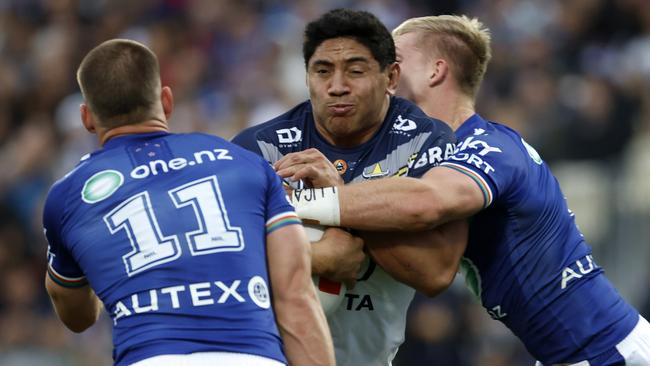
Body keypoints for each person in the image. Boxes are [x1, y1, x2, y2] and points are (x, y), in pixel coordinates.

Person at [290, 15, 650, 365]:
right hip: (568, 353)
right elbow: (428, 268)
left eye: (393, 61)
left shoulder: (490, 145)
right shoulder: (429, 159)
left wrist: (302, 202)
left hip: (608, 349)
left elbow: (427, 204)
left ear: (436, 70)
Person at [42, 39, 334, 366]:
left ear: (87, 118)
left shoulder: (67, 194)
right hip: (253, 356)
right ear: (167, 101)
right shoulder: (244, 162)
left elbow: (77, 317)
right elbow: (295, 297)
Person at [232, 9, 468, 366]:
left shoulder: (426, 141)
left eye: (355, 71)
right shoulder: (259, 149)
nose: (337, 86)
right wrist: (318, 256)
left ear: (391, 77)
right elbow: (221, 257)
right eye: (322, 71)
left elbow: (435, 272)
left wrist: (336, 201)